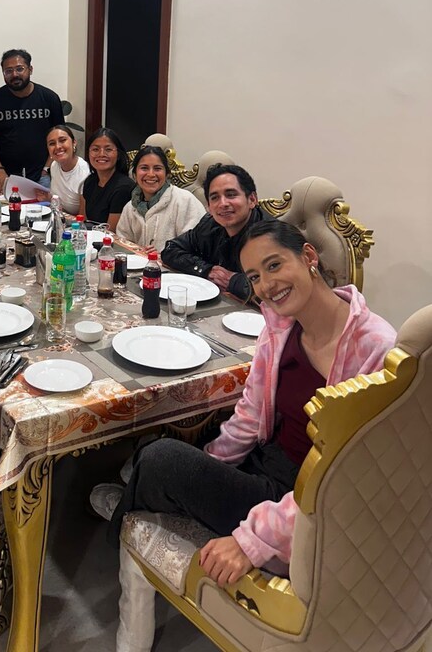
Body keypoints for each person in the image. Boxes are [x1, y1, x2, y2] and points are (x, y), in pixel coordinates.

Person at [92, 219, 396, 604]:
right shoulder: (281, 326)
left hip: (305, 496)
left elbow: (348, 477)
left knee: (159, 458)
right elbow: (251, 414)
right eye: (254, 276)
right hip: (267, 459)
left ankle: (130, 505)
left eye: (274, 265)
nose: (266, 285)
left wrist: (252, 539)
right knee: (169, 446)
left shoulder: (377, 349)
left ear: (308, 256)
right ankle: (144, 492)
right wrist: (209, 466)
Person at [161, 162, 268, 300]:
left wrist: (233, 281)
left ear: (252, 199)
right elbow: (170, 250)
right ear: (209, 207)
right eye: (215, 198)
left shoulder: (272, 236)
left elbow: (279, 284)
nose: (223, 204)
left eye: (231, 195)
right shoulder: (210, 224)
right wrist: (207, 270)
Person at [0, 48, 64, 194]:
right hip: (6, 176)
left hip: (43, 175)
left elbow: (59, 138)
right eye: (8, 71)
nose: (14, 74)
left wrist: (47, 168)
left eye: (19, 69)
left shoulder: (49, 98)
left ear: (30, 69)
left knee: (45, 209)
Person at [115, 145, 205, 252]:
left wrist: (164, 254)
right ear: (134, 174)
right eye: (144, 168)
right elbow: (122, 245)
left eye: (157, 169)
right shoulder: (130, 207)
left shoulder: (185, 201)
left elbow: (196, 246)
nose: (151, 174)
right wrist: (138, 251)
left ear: (167, 174)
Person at [78, 127, 134, 231]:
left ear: (118, 154)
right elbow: (82, 223)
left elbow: (110, 232)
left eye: (108, 149)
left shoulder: (123, 188)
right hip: (90, 237)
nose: (101, 154)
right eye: (95, 149)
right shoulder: (90, 181)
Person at [47, 125, 90, 215]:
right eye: (52, 143)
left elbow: (83, 218)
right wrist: (46, 198)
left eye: (62, 140)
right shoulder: (54, 165)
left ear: (74, 143)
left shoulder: (85, 172)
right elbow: (57, 201)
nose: (57, 146)